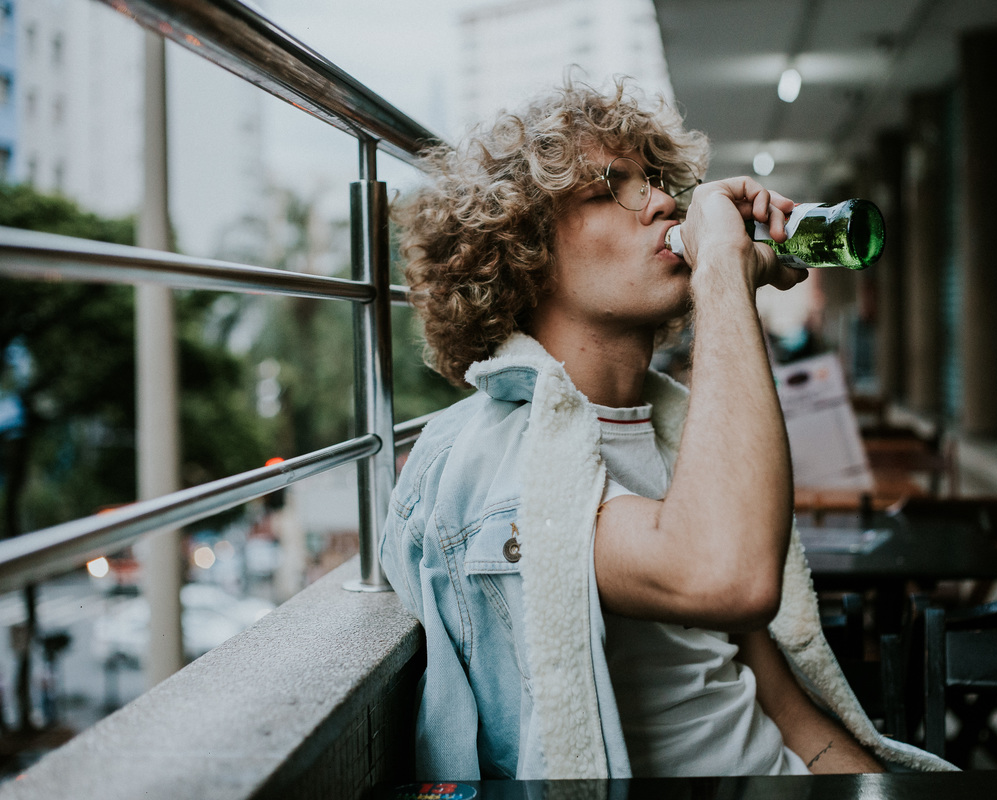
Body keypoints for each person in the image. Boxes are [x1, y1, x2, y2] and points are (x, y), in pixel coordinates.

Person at [381, 77, 950, 780]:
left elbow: (784, 710)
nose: (660, 201)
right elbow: (724, 575)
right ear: (521, 252)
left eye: (653, 180)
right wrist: (722, 273)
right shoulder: (499, 457)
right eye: (607, 188)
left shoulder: (670, 434)